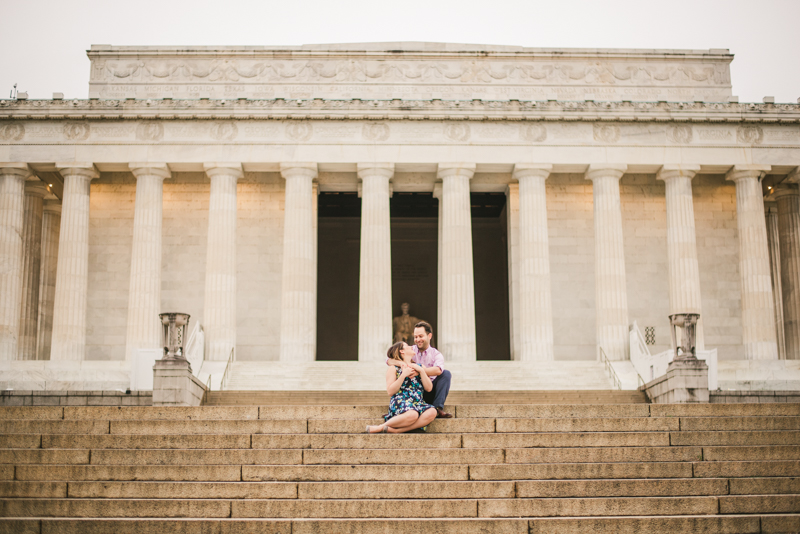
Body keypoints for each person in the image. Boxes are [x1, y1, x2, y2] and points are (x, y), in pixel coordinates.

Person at [386, 321, 453, 419]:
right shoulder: (410, 350)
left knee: (446, 374)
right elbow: (388, 360)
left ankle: (438, 408)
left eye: (421, 336)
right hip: (412, 393)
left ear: (429, 336)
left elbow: (438, 370)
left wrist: (419, 371)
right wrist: (401, 363)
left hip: (429, 389)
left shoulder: (436, 354)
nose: (417, 340)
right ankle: (399, 411)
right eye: (415, 337)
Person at [366, 342, 437, 434]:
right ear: (402, 351)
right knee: (413, 414)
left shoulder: (420, 367)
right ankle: (381, 427)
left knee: (432, 412)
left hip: (417, 402)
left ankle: (399, 430)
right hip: (400, 401)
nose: (412, 347)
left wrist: (422, 371)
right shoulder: (393, 368)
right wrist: (403, 375)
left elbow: (429, 388)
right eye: (408, 346)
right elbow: (390, 391)